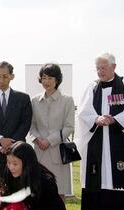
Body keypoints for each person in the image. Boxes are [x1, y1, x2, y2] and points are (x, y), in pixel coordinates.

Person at [76, 53, 124, 210]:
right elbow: (83, 112)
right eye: (97, 68)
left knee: (119, 179)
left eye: (104, 67)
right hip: (97, 141)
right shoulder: (92, 87)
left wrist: (116, 119)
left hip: (120, 140)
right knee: (99, 179)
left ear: (114, 66)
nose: (100, 71)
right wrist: (96, 118)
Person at [30, 63, 75, 201]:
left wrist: (49, 141)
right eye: (44, 78)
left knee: (58, 193)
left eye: (50, 78)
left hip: (58, 154)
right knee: (38, 192)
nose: (46, 81)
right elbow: (30, 125)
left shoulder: (67, 100)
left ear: (57, 80)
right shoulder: (34, 101)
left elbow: (69, 127)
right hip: (39, 154)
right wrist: (38, 139)